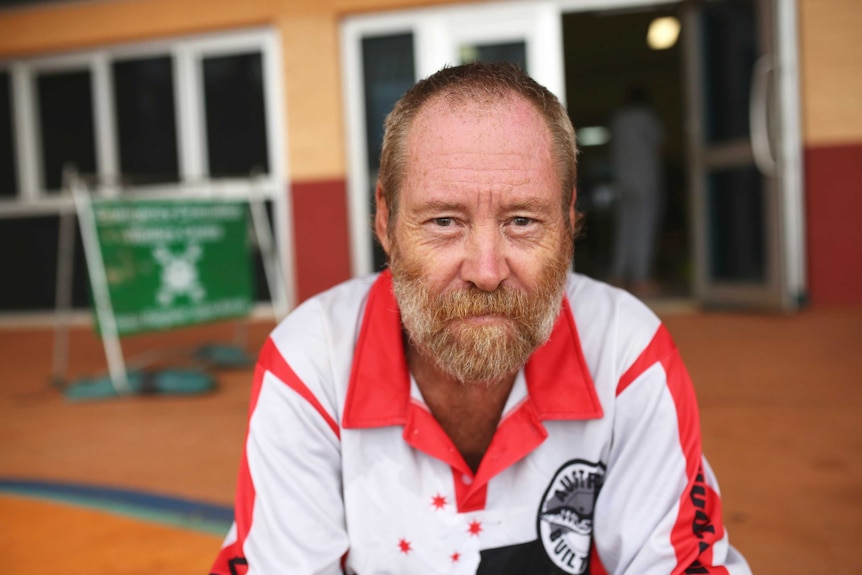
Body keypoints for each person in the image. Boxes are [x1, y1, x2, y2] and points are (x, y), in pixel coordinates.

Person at [211, 62, 750, 575]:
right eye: (444, 221)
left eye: (522, 220)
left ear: (569, 223)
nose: (487, 271)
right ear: (384, 220)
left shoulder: (627, 354)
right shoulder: (310, 365)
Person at [608, 86, 665, 296]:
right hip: (646, 179)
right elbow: (659, 145)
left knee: (624, 229)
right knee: (643, 229)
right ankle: (641, 278)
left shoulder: (618, 119)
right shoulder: (647, 117)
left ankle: (619, 276)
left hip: (623, 180)